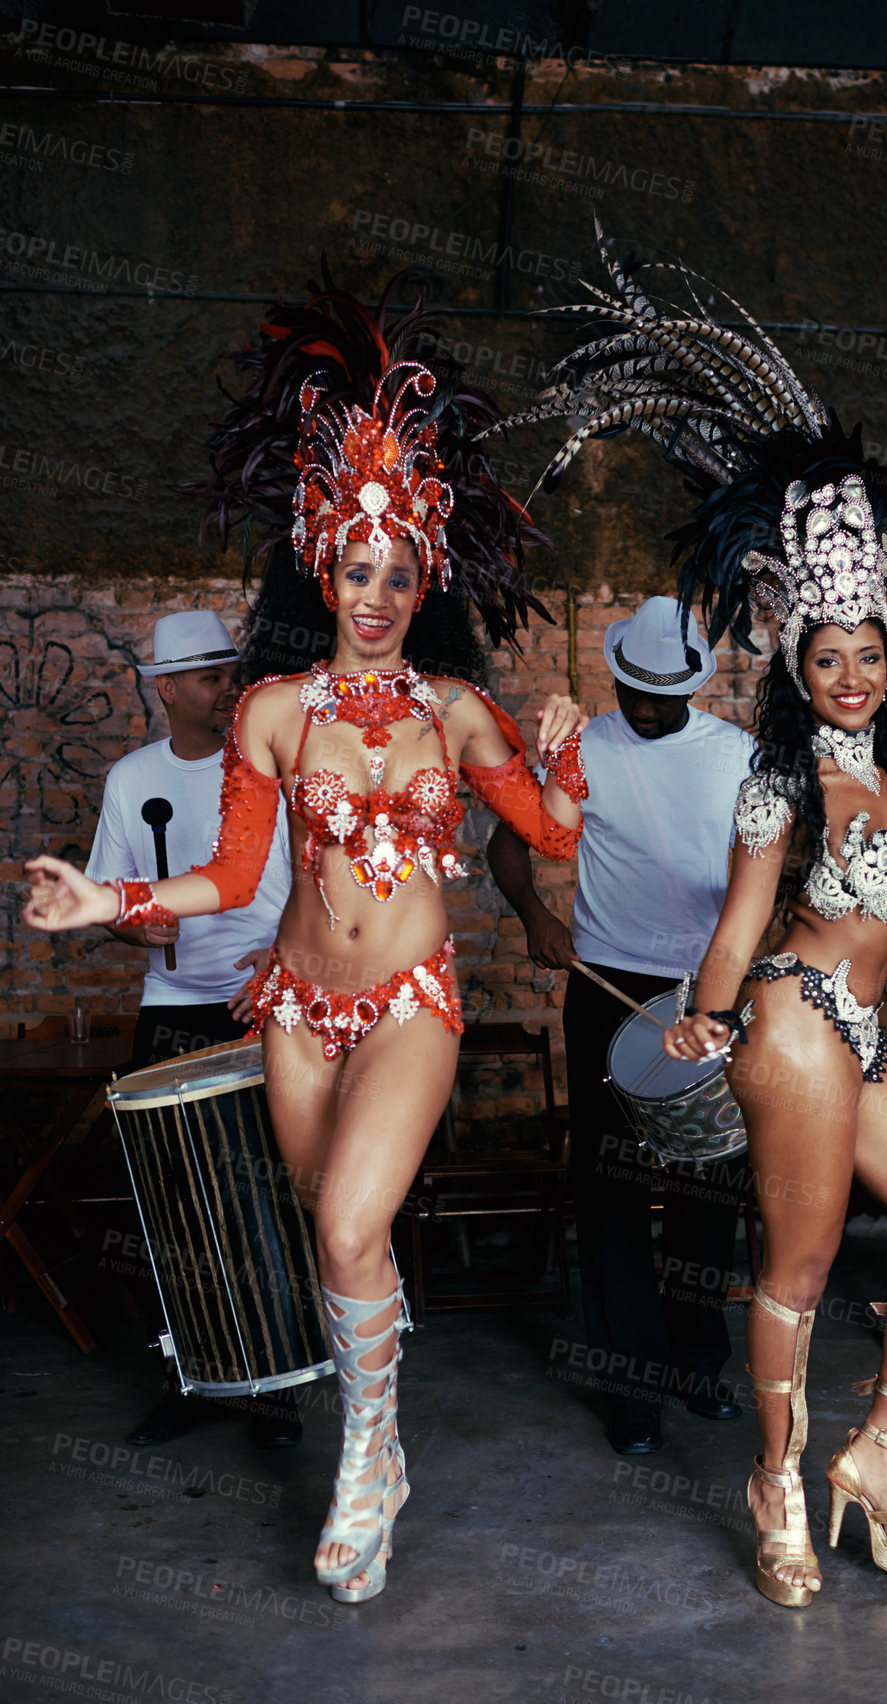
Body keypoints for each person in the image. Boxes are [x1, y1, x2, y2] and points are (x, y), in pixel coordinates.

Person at [25, 271, 587, 1605]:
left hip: (405, 1000)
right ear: (320, 562)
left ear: (422, 574)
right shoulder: (272, 711)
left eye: (401, 570)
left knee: (344, 1224)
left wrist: (564, 755)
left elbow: (552, 835)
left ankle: (363, 1451)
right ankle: (380, 1442)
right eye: (356, 564)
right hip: (291, 1007)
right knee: (343, 1237)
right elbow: (228, 874)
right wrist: (111, 903)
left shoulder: (454, 710)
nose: (378, 589)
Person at [494, 227, 887, 1610]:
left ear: (886, 660)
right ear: (795, 662)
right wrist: (703, 1017)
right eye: (827, 654)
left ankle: (877, 1456)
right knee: (791, 1266)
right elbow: (738, 927)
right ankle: (774, 1486)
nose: (851, 672)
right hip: (788, 1024)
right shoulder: (776, 774)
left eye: (867, 653)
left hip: (859, 1032)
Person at [488, 595, 754, 1455]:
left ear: (693, 684)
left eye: (659, 692)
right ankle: (632, 1390)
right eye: (629, 686)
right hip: (606, 984)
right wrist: (533, 913)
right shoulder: (584, 747)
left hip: (707, 989)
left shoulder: (737, 757)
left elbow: (769, 871)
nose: (642, 704)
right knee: (607, 1189)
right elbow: (508, 843)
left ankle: (697, 1362)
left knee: (708, 1183)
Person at [86, 608, 297, 1448]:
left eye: (231, 675)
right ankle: (198, 1377)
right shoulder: (132, 781)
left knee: (264, 1201)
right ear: (167, 689)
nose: (225, 692)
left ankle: (277, 1387)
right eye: (208, 678)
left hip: (260, 1006)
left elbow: (326, 885)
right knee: (172, 1204)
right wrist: (135, 926)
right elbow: (112, 895)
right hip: (173, 1011)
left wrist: (282, 959)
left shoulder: (271, 769)